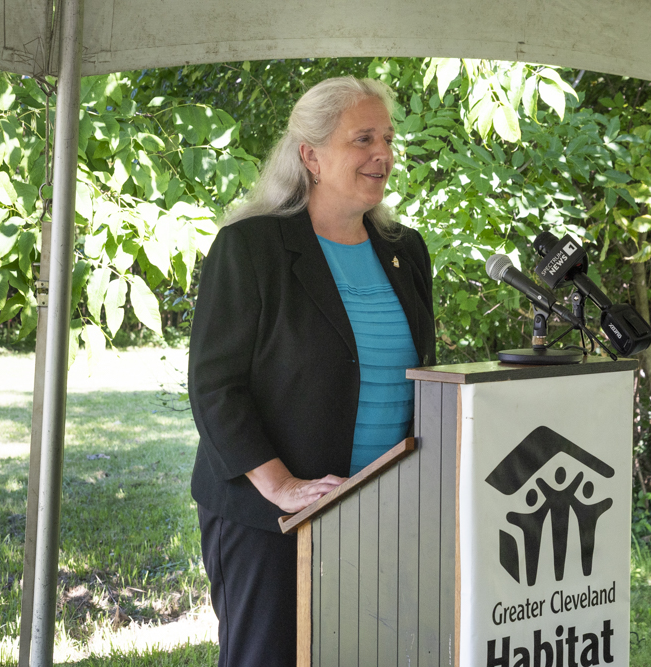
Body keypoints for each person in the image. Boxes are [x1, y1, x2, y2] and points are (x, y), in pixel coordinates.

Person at [188, 76, 436, 667]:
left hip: (382, 509)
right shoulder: (251, 247)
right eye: (363, 139)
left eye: (388, 139)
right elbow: (216, 385)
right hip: (272, 520)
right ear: (310, 156)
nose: (383, 154)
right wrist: (280, 486)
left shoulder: (407, 250)